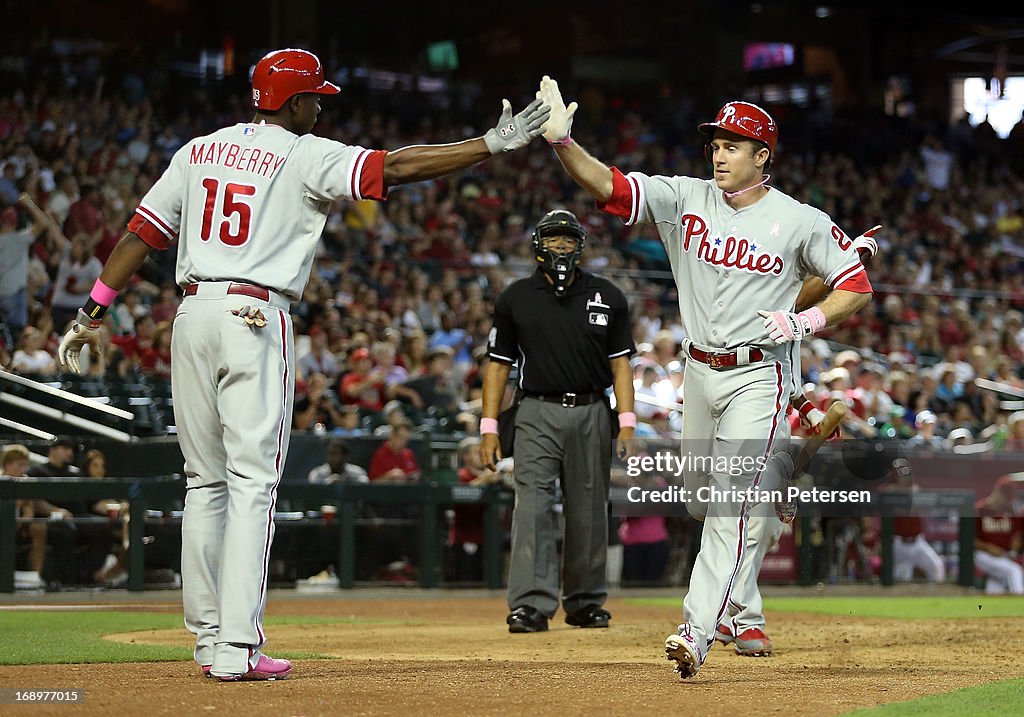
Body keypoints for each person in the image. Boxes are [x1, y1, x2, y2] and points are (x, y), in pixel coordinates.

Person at [56, 47, 550, 682]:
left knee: (203, 485)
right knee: (252, 485)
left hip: (191, 315)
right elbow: (394, 168)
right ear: (292, 103)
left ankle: (208, 640)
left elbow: (140, 235)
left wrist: (90, 314)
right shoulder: (304, 153)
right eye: (316, 97)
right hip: (255, 317)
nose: (321, 105)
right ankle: (238, 647)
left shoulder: (197, 150)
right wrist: (487, 144)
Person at [536, 77, 873, 676]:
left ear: (763, 156)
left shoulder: (798, 220)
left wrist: (805, 321)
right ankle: (743, 598)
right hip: (697, 371)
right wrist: (564, 142)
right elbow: (611, 187)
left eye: (734, 145)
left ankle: (697, 630)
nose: (719, 153)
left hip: (756, 376)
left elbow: (855, 285)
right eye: (716, 142)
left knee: (730, 508)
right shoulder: (684, 196)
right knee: (700, 501)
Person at [480, 208, 636, 633]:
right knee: (531, 507)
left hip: (592, 409)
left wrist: (627, 422)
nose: (561, 248)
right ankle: (530, 604)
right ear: (538, 245)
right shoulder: (515, 297)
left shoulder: (608, 294)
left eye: (568, 241)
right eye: (554, 240)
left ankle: (585, 602)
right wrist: (489, 427)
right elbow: (497, 366)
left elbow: (621, 365)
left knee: (589, 511)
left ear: (581, 247)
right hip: (535, 410)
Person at [974, 477, 1024, 595]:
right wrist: (988, 548)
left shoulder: (1010, 512)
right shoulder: (980, 509)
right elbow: (969, 540)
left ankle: (990, 611)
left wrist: (1013, 551)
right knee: (1014, 571)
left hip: (1003, 555)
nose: (1008, 500)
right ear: (997, 492)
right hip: (983, 555)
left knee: (996, 584)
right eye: (1006, 496)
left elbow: (1016, 536)